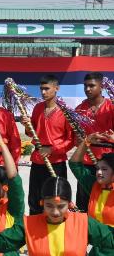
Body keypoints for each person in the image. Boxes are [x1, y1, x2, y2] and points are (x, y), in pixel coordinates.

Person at [68, 133, 114, 256]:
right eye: (98, 168)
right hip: (99, 251)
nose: (99, 172)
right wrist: (86, 142)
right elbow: (74, 164)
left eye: (105, 169)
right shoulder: (95, 185)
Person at [28, 75, 73, 216]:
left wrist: (52, 149)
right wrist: (27, 125)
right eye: (41, 89)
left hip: (56, 162)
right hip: (38, 160)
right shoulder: (37, 108)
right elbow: (30, 132)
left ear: (56, 88)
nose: (43, 92)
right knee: (35, 200)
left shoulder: (65, 111)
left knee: (57, 198)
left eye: (47, 88)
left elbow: (70, 140)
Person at [75, 73, 114, 204]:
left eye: (91, 86)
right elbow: (75, 140)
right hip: (86, 163)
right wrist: (82, 141)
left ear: (101, 86)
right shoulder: (79, 110)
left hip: (108, 164)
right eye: (85, 86)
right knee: (84, 203)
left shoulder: (111, 107)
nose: (87, 89)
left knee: (107, 203)